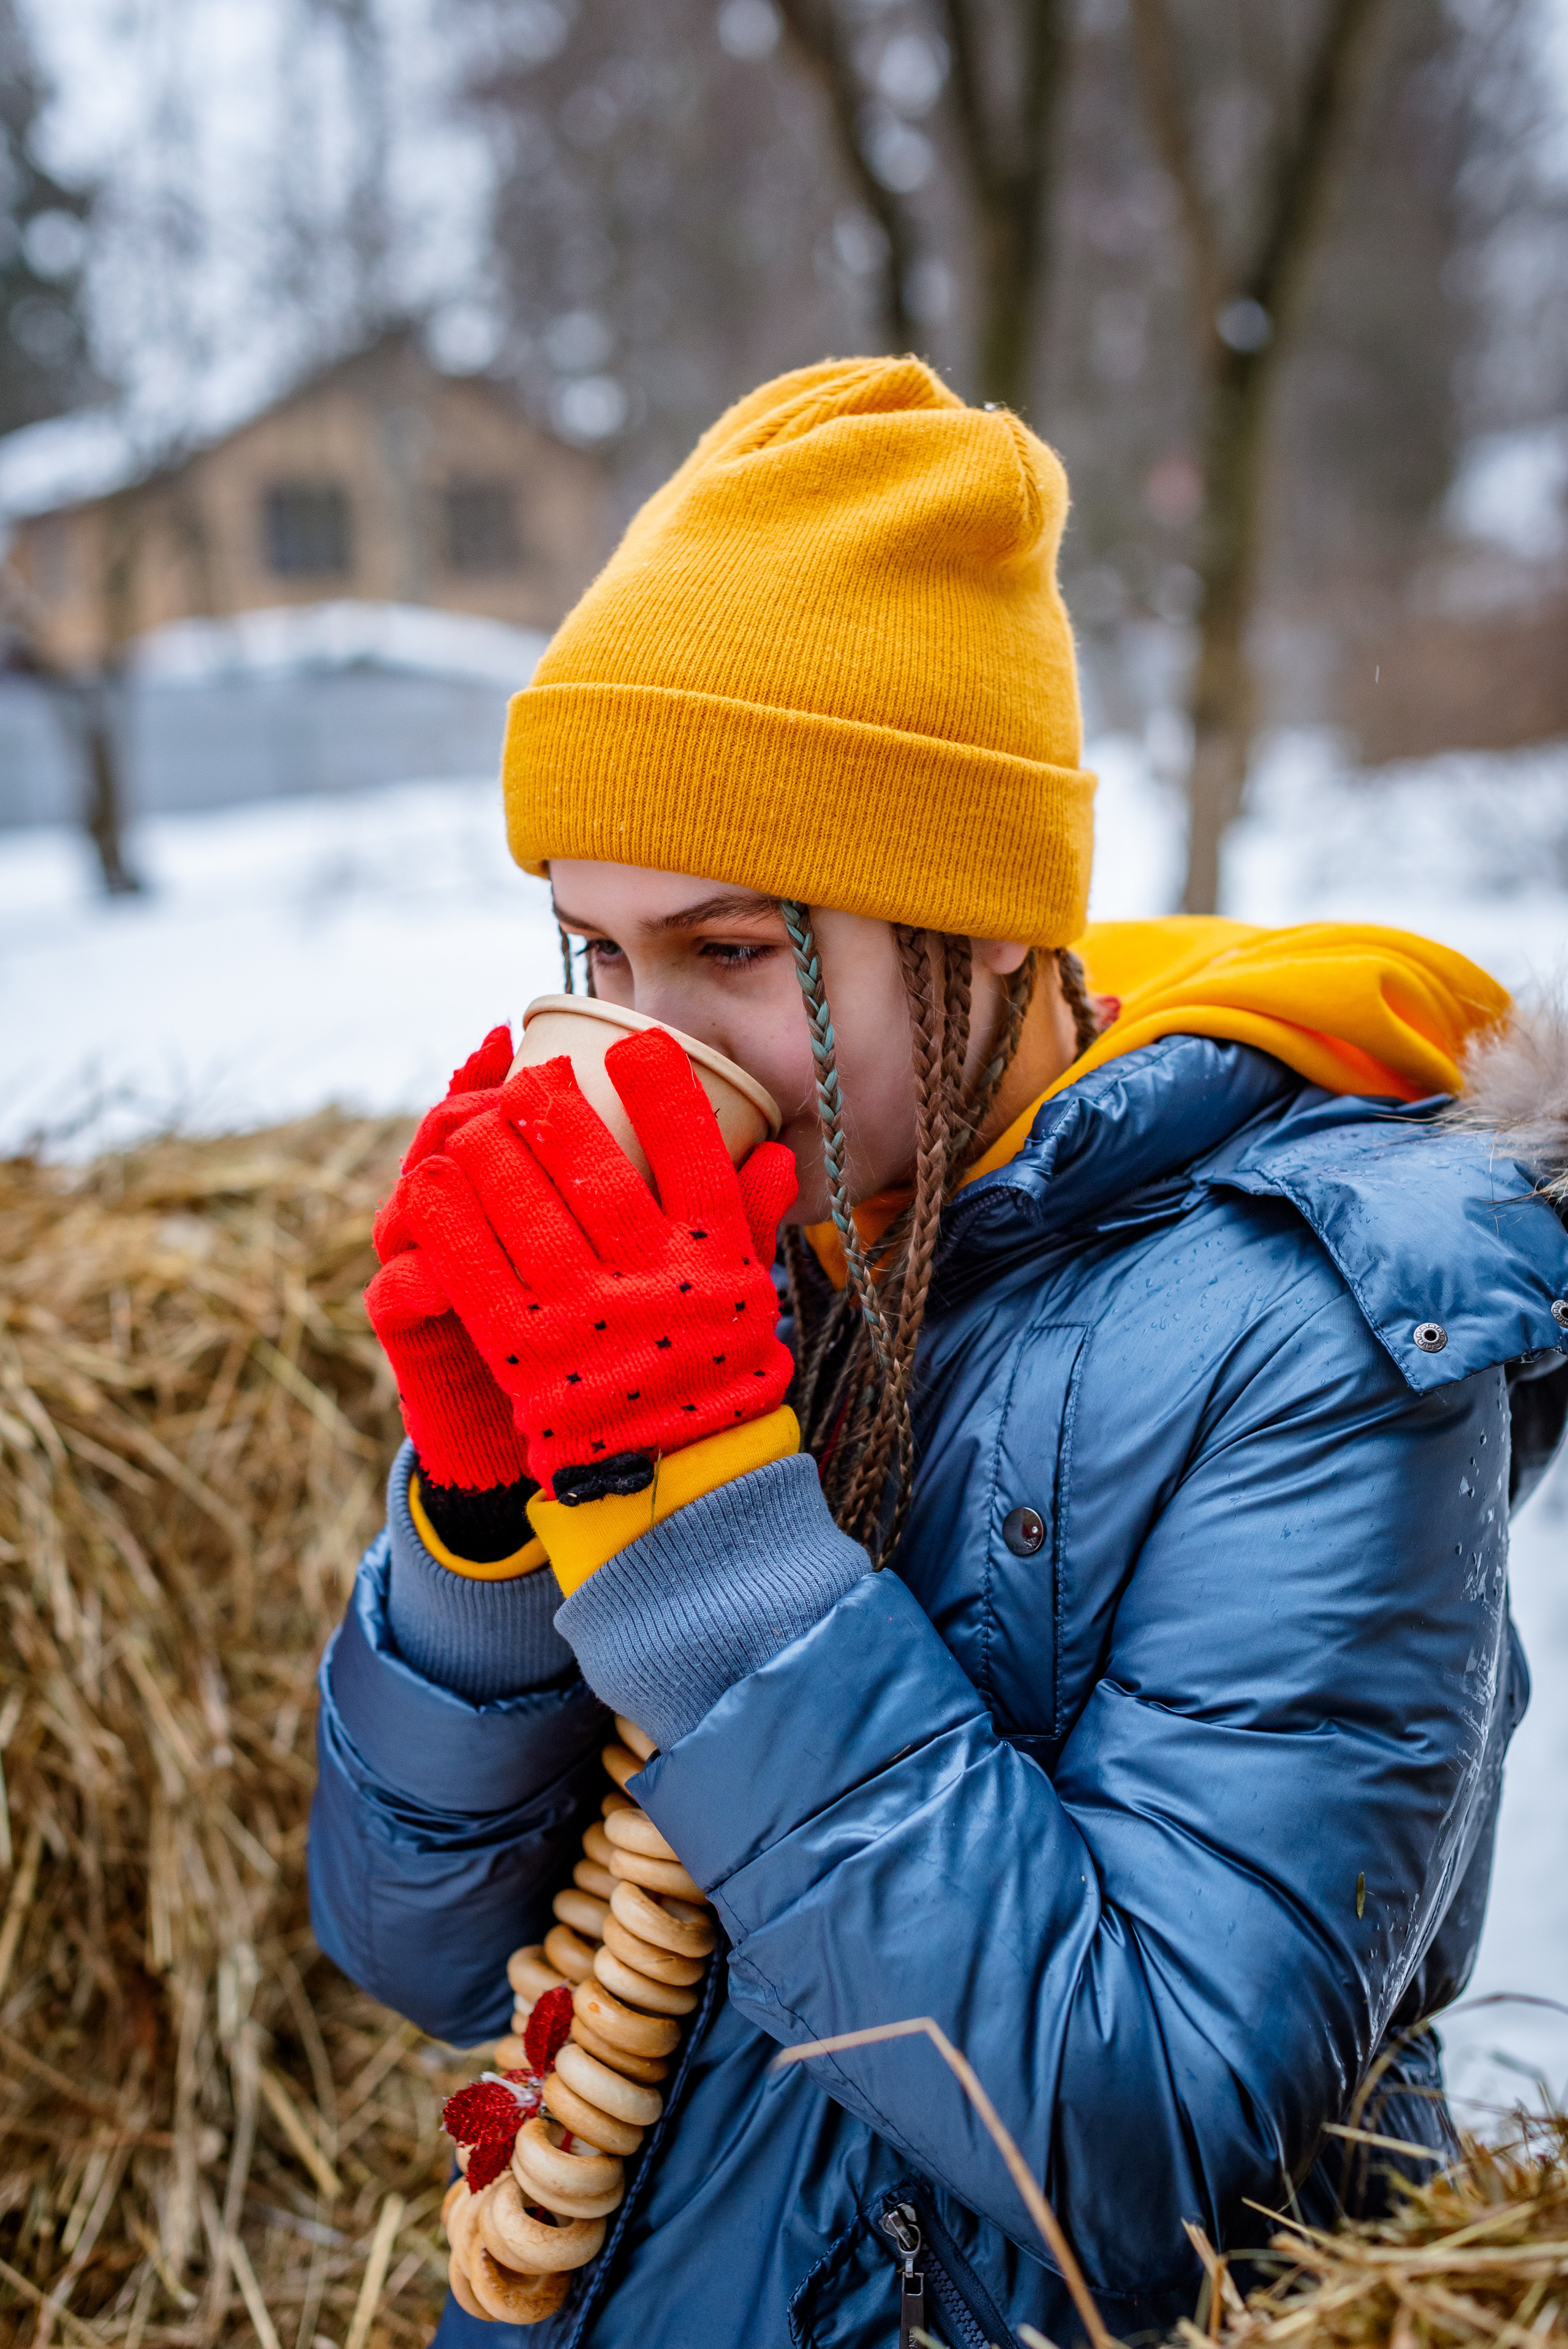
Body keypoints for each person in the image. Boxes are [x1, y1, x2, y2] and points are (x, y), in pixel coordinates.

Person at [308, 357, 1568, 2349]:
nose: (655, 1057)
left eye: (737, 955)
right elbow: (426, 1948)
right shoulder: (750, 1241)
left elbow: (1159, 2153)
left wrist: (709, 1545)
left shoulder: (1309, 1339)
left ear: (988, 929)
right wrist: (477, 1529)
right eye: (600, 961)